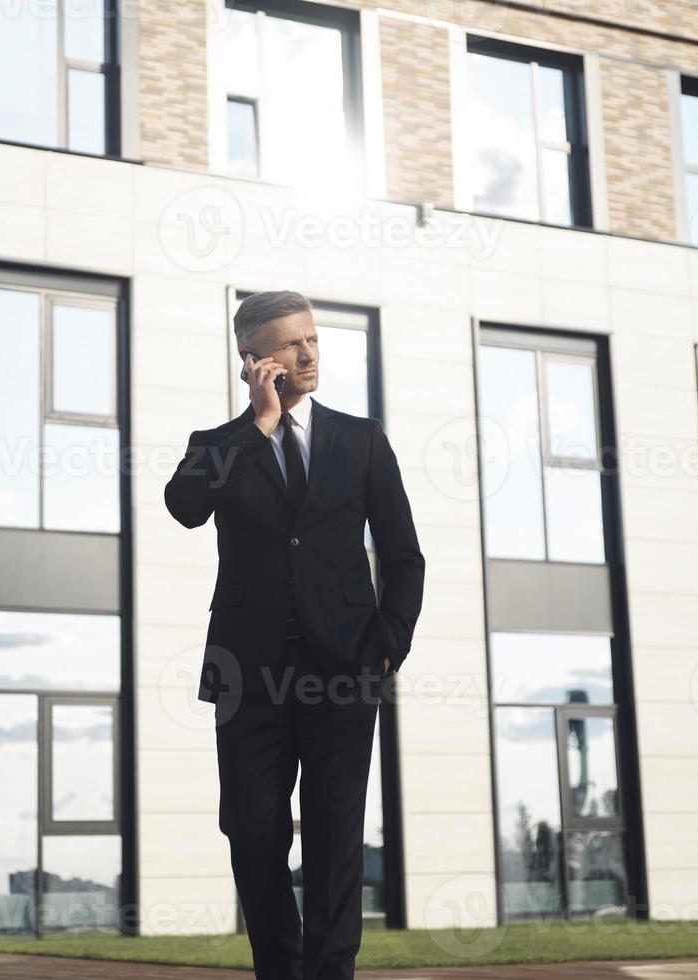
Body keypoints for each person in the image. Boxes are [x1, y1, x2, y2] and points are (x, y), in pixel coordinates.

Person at [164, 290, 426, 979]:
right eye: (290, 344)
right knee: (252, 832)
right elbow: (184, 506)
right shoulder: (219, 446)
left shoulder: (361, 440)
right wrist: (258, 425)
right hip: (246, 676)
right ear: (254, 360)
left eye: (312, 339)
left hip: (344, 670)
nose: (308, 353)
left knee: (337, 837)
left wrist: (387, 646)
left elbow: (403, 556)